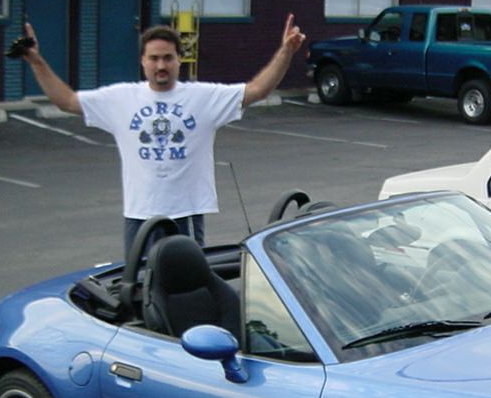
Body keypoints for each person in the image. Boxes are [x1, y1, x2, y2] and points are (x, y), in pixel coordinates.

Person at [17, 14, 305, 255]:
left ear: (180, 59)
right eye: (154, 58)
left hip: (185, 214)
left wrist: (286, 52)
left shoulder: (202, 98)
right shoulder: (120, 99)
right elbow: (66, 101)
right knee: (138, 286)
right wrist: (35, 61)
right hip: (139, 215)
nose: (161, 65)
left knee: (185, 286)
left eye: (168, 58)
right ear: (143, 61)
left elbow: (257, 90)